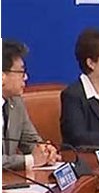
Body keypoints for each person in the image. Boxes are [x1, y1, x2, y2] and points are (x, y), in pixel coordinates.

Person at [2, 39, 58, 171]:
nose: (26, 77)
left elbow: (30, 140)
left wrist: (45, 151)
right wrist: (30, 160)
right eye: (21, 72)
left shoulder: (16, 101)